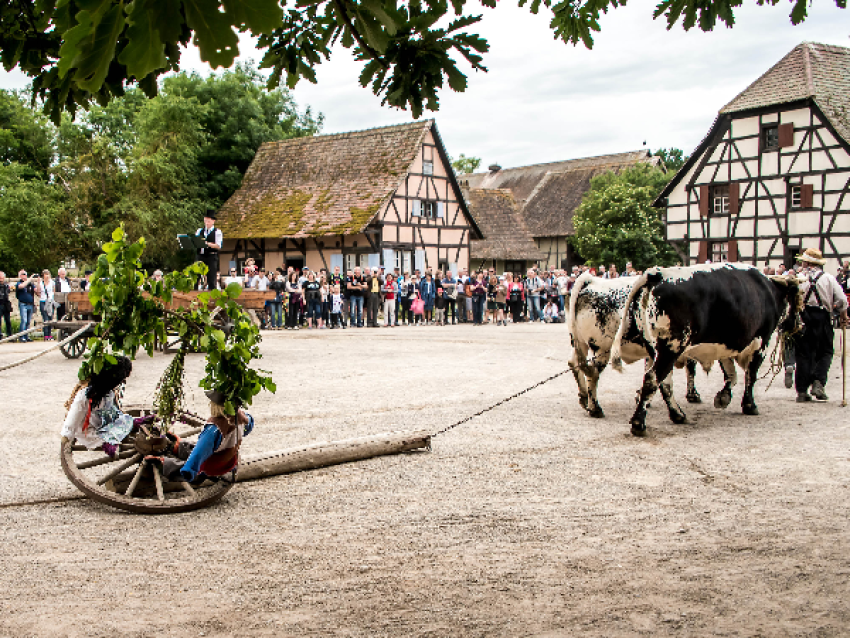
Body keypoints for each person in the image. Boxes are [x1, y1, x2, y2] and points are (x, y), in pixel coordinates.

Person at [793, 248, 848, 402]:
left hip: (804, 317)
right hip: (823, 316)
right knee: (825, 351)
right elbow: (842, 300)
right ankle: (818, 382)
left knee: (804, 354)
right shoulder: (828, 278)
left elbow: (791, 301)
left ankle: (802, 391)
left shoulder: (799, 278)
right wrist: (843, 315)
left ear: (807, 262)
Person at [161, 393, 254, 483]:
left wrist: (188, 470)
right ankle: (177, 447)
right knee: (188, 446)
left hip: (213, 467)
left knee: (170, 464)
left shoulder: (213, 429)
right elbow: (249, 425)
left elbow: (198, 454)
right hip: (230, 461)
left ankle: (160, 463)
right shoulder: (242, 418)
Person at [62, 356, 136, 456]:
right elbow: (73, 418)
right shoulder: (85, 397)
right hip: (91, 430)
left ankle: (117, 433)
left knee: (125, 420)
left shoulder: (109, 393)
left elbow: (113, 410)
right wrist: (66, 436)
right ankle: (108, 443)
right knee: (107, 434)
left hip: (105, 423)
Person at [195, 210, 222, 290]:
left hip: (211, 256)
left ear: (213, 221)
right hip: (200, 255)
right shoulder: (199, 231)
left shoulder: (217, 232)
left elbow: (218, 246)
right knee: (196, 275)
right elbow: (196, 241)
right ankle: (193, 293)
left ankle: (212, 294)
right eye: (205, 221)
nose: (207, 223)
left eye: (208, 221)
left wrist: (207, 244)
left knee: (211, 277)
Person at [15, 270, 37, 342]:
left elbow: (37, 290)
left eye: (25, 274)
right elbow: (21, 286)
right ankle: (21, 337)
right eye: (23, 274)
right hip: (23, 304)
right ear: (20, 276)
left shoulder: (30, 284)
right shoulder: (19, 283)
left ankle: (26, 336)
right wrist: (29, 279)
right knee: (24, 320)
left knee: (28, 322)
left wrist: (39, 282)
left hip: (30, 304)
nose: (24, 276)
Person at [37, 269, 56, 340]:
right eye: (45, 274)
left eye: (48, 274)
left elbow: (54, 291)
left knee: (50, 318)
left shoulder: (52, 282)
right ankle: (46, 335)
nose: (47, 276)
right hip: (43, 301)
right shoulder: (41, 283)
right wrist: (38, 283)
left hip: (50, 302)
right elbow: (38, 292)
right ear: (43, 276)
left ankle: (49, 335)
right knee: (45, 318)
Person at [0, 272, 12, 339]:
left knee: (8, 321)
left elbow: (8, 292)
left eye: (2, 277)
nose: (1, 278)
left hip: (6, 304)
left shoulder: (6, 285)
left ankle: (9, 335)